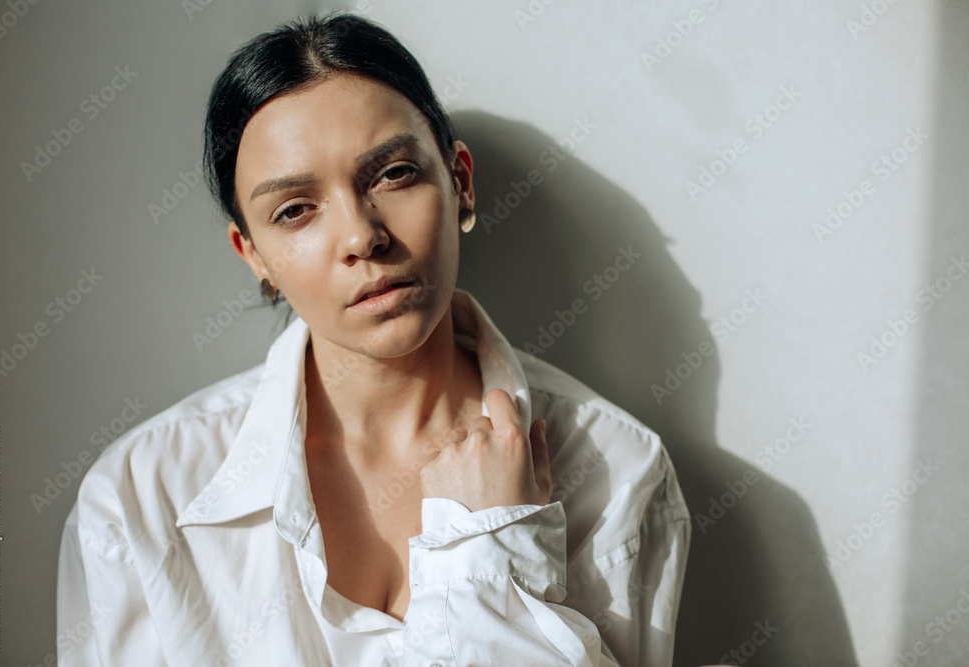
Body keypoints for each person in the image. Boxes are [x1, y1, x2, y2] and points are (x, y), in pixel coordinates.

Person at [56, 12, 691, 666]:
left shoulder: (618, 472)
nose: (362, 236)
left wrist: (491, 551)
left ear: (461, 182)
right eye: (296, 210)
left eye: (392, 174)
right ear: (254, 256)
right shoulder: (141, 495)